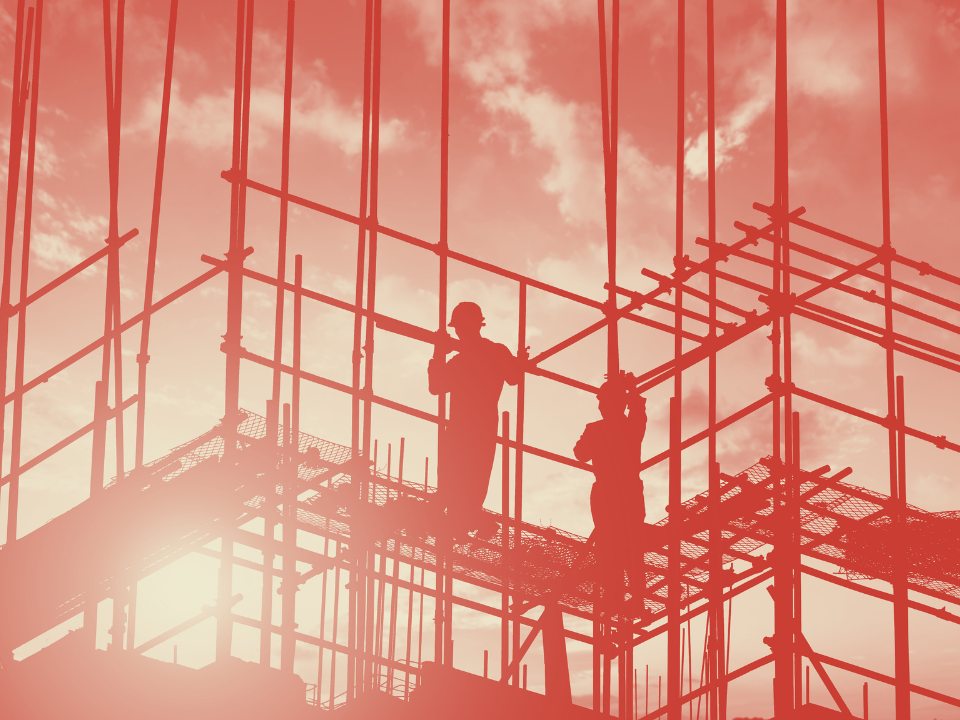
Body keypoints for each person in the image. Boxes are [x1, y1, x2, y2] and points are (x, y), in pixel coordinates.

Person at [428, 302, 522, 539]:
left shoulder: (463, 361)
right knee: (468, 483)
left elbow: (435, 386)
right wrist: (517, 360)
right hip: (482, 430)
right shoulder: (494, 353)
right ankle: (465, 521)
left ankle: (462, 522)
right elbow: (514, 376)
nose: (458, 333)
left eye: (459, 327)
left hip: (464, 430)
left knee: (456, 483)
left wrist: (439, 351)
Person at [573, 372, 647, 614]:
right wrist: (631, 389)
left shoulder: (596, 430)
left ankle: (616, 598)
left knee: (610, 547)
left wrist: (629, 390)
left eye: (602, 401)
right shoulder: (631, 426)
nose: (600, 406)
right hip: (628, 491)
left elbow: (580, 453)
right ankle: (633, 599)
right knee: (629, 546)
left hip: (608, 492)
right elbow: (638, 411)